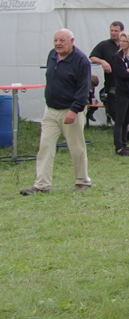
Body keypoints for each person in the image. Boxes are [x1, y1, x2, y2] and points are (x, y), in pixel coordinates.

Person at [20, 29, 93, 195]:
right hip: (51, 111)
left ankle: (82, 181)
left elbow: (83, 88)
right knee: (45, 146)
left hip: (71, 110)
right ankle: (41, 185)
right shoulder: (52, 55)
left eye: (62, 40)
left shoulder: (81, 60)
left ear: (72, 41)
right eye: (56, 40)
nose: (58, 44)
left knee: (76, 147)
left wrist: (74, 110)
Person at [89, 21, 129, 125]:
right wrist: (102, 61)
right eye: (111, 30)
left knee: (127, 111)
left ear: (121, 31)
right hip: (112, 83)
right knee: (113, 111)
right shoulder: (104, 45)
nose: (113, 33)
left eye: (116, 31)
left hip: (128, 84)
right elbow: (92, 56)